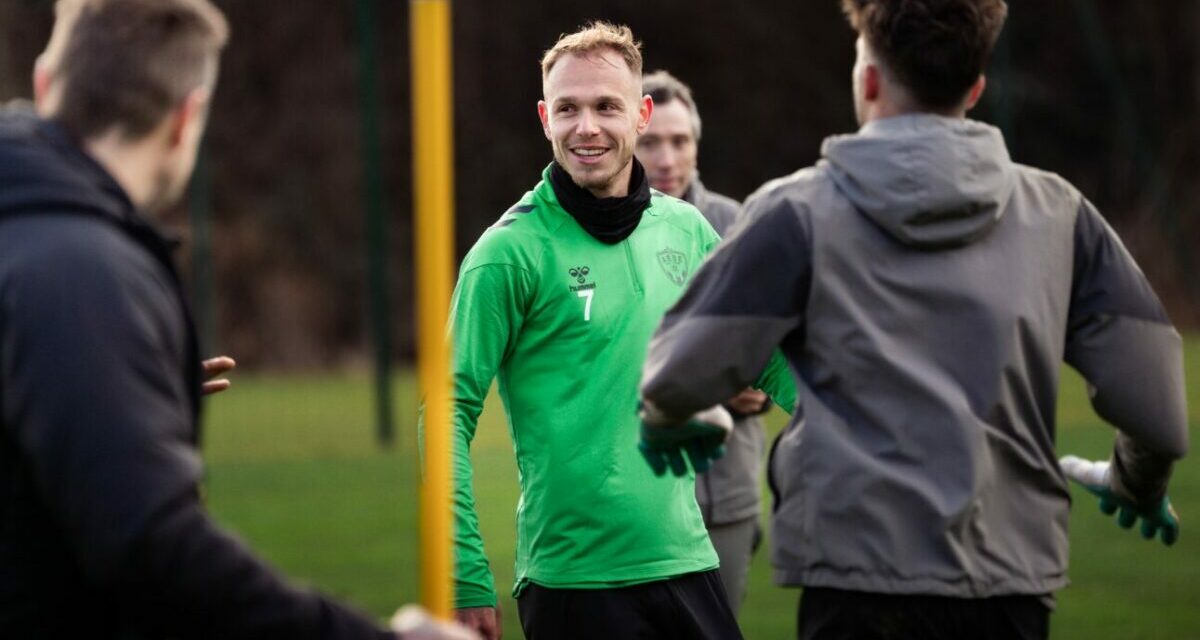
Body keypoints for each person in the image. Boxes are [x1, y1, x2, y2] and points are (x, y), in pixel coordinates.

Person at [638, 1, 1189, 639]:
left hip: (852, 581)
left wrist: (679, 416)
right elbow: (1158, 409)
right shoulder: (1061, 215)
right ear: (977, 88)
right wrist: (1134, 483)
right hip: (1010, 582)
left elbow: (676, 375)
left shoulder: (794, 213)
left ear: (867, 79)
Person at [0, 1, 473, 638]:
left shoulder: (30, 240)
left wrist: (112, 394)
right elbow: (153, 548)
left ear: (45, 82)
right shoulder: (78, 266)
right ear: (186, 119)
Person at [440, 21, 792, 640]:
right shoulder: (507, 252)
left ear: (640, 114)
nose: (587, 127)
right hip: (573, 583)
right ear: (545, 118)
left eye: (607, 106)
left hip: (688, 561)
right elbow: (446, 412)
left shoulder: (687, 231)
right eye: (569, 109)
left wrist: (841, 420)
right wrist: (464, 567)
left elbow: (769, 358)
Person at [635, 69, 770, 614]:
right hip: (636, 495)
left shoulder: (739, 226)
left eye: (680, 141)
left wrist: (753, 385)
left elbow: (772, 352)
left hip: (725, 496)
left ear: (696, 145)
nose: (666, 158)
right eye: (651, 142)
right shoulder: (600, 228)